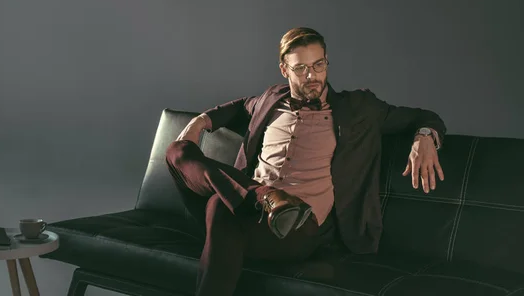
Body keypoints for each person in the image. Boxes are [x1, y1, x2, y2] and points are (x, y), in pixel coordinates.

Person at [165, 27, 446, 296]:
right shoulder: (270, 99)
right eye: (301, 68)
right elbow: (239, 106)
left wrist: (424, 136)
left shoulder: (358, 108)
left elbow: (425, 117)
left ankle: (263, 198)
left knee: (219, 205)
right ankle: (263, 195)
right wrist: (201, 121)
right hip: (249, 215)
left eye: (319, 64)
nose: (312, 75)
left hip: (301, 226)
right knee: (178, 150)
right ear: (284, 70)